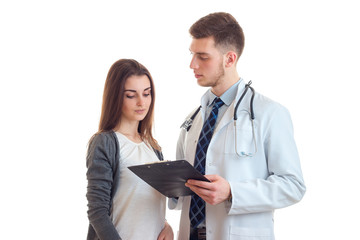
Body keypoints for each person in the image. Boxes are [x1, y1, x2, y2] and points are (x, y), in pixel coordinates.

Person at [169, 12, 306, 240]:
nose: (192, 64)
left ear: (229, 59)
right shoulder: (193, 118)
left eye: (202, 56)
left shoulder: (269, 113)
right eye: (192, 54)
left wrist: (233, 192)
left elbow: (293, 185)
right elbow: (183, 184)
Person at [86, 59, 174, 240]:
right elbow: (97, 211)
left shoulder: (153, 147)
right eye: (131, 95)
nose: (142, 102)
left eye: (147, 93)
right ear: (116, 97)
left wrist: (166, 225)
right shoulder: (105, 142)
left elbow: (147, 203)